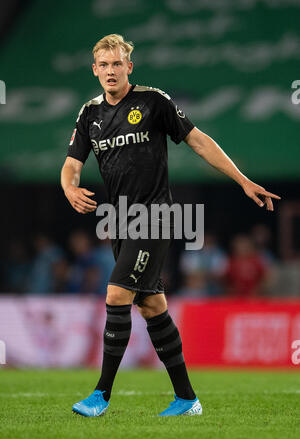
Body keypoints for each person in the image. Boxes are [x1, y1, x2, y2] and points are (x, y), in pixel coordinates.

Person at [61, 34, 281, 417]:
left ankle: (101, 395)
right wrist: (69, 188)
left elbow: (198, 141)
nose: (111, 71)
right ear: (95, 70)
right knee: (151, 306)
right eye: (104, 65)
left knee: (116, 294)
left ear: (130, 67)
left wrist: (243, 180)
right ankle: (186, 399)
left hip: (155, 216)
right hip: (119, 221)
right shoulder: (89, 114)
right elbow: (72, 164)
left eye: (118, 64)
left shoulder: (153, 102)